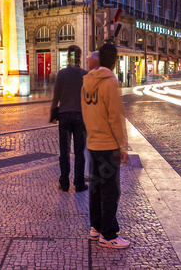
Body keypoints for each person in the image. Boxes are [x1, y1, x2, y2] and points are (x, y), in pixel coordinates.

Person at [81, 43, 130, 249]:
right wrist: (123, 146)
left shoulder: (85, 83)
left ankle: (95, 228)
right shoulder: (110, 83)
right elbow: (115, 118)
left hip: (92, 142)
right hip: (108, 144)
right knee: (111, 191)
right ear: (115, 61)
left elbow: (85, 113)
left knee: (96, 188)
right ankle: (108, 235)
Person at [50, 45, 88, 193]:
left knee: (64, 152)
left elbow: (56, 97)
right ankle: (79, 184)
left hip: (64, 116)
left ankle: (64, 183)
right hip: (80, 116)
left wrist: (53, 115)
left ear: (68, 56)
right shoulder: (85, 75)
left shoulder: (61, 74)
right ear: (79, 57)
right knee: (79, 152)